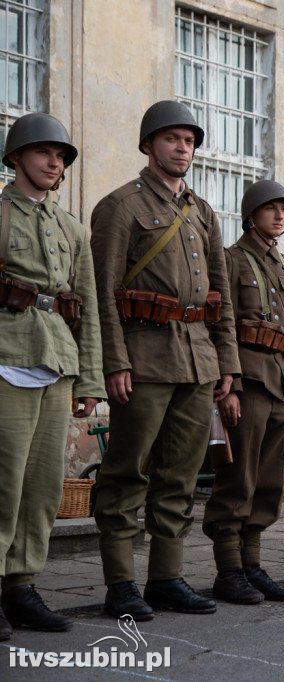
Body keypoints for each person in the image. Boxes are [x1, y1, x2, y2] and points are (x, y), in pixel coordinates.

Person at [91, 101, 240, 620]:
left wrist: (228, 364)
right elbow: (103, 292)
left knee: (179, 476)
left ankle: (166, 577)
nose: (183, 148)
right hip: (144, 357)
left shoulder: (203, 211)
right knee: (127, 473)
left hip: (198, 360)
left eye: (190, 141)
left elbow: (221, 295)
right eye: (172, 139)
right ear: (148, 145)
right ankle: (120, 583)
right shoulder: (120, 206)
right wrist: (114, 360)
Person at [0, 114, 104, 639]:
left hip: (56, 362)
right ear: (16, 156)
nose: (53, 162)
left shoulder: (72, 229)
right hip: (5, 358)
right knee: (3, 482)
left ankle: (21, 587)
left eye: (60, 156)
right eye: (43, 152)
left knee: (41, 487)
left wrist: (89, 383)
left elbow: (84, 307)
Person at [201, 181, 284, 604]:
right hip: (246, 381)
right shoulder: (229, 260)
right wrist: (225, 384)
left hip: (282, 382)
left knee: (269, 482)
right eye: (271, 209)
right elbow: (219, 324)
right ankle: (228, 570)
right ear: (250, 215)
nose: (280, 216)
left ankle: (251, 563)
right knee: (238, 478)